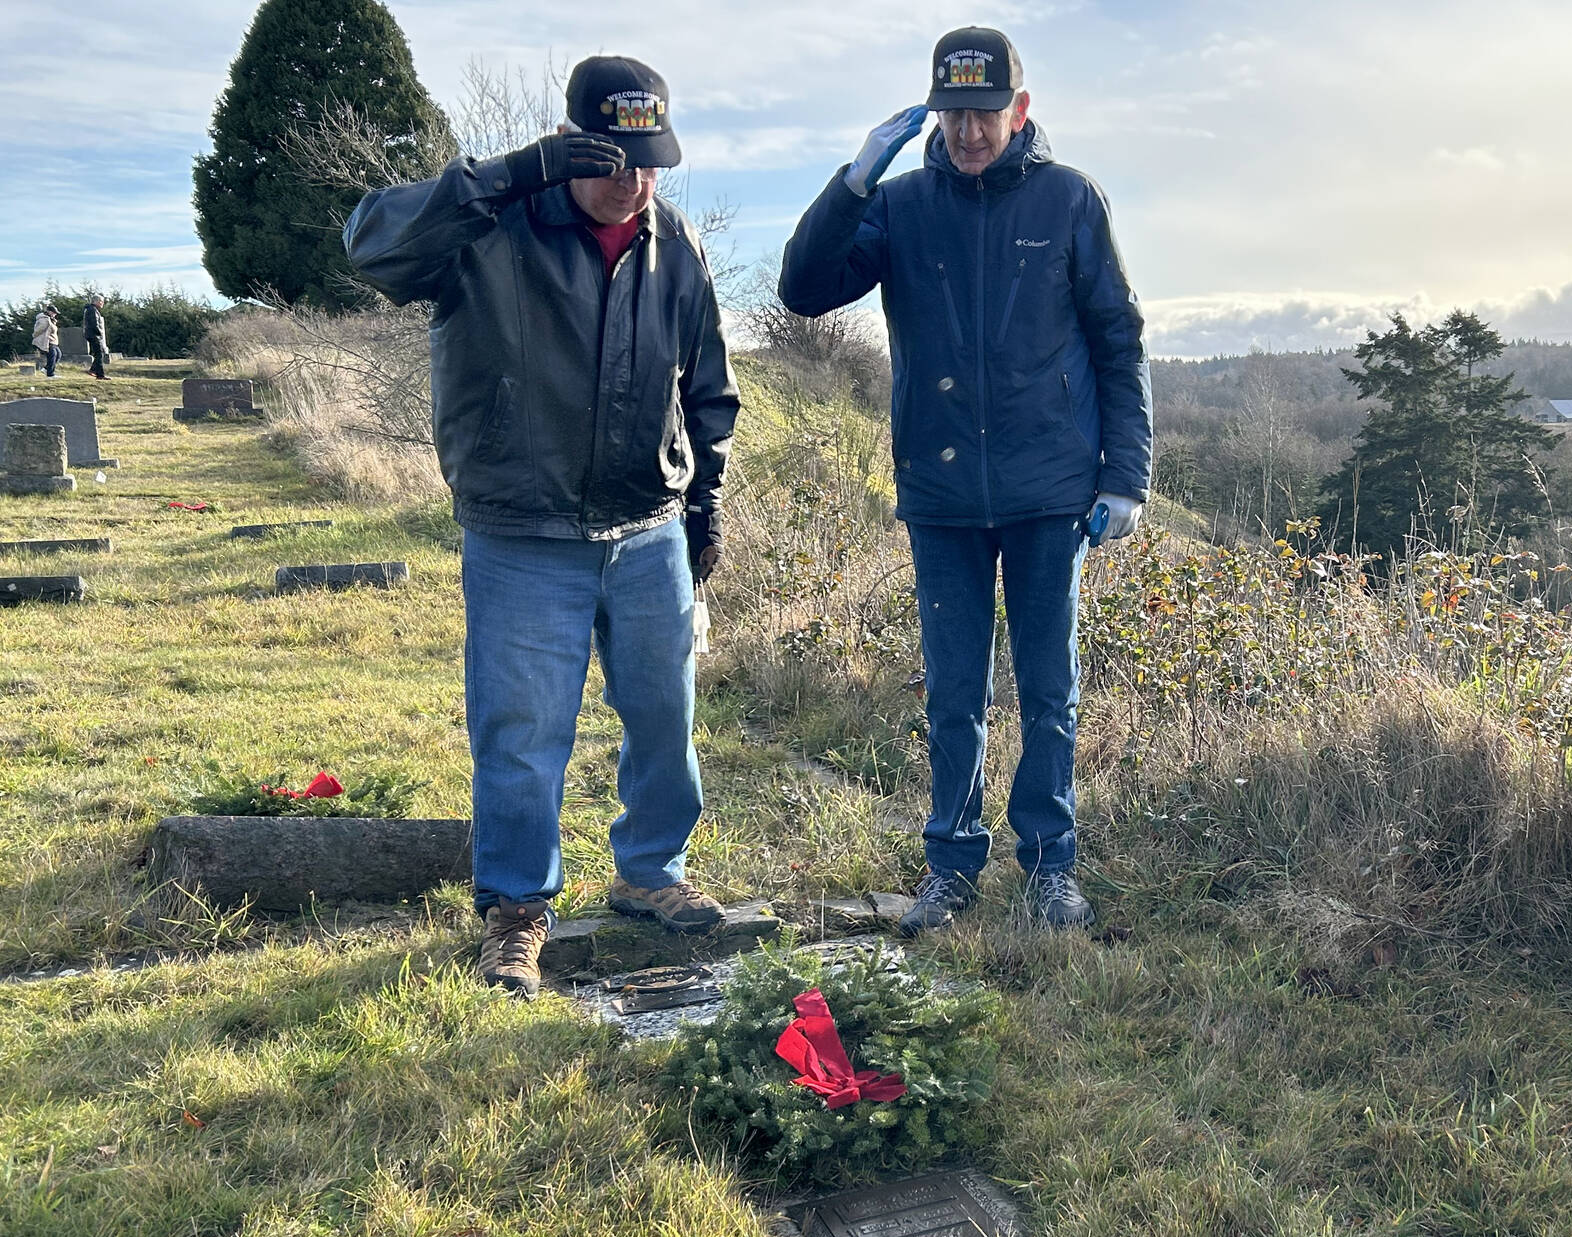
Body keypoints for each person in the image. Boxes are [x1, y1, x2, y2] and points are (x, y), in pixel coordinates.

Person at [344, 54, 742, 999]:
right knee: (521, 733)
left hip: (647, 529)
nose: (633, 181)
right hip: (522, 534)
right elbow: (370, 243)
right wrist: (504, 175)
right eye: (612, 159)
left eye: (649, 161)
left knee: (663, 715)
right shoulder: (489, 227)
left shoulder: (671, 241)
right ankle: (517, 911)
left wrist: (706, 498)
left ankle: (652, 874)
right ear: (568, 150)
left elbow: (707, 384)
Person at [780, 26, 1153, 937]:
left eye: (986, 113)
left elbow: (1118, 338)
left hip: (1050, 492)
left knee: (1049, 690)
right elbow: (804, 287)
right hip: (942, 495)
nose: (970, 131)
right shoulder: (900, 205)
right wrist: (855, 177)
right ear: (934, 111)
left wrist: (1127, 477)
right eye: (953, 112)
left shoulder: (1071, 200)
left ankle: (1050, 867)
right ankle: (951, 862)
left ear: (1018, 110)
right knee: (954, 692)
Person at [82, 294, 108, 380]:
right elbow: (94, 324)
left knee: (99, 354)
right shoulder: (92, 310)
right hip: (93, 335)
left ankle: (93, 370)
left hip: (91, 334)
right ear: (96, 301)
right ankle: (99, 375)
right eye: (101, 301)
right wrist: (100, 333)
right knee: (100, 354)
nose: (102, 303)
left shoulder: (91, 309)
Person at [31, 305, 58, 378]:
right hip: (47, 341)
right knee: (52, 355)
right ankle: (50, 374)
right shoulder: (44, 319)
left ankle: (46, 369)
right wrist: (34, 335)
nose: (55, 314)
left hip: (53, 341)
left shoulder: (51, 319)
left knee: (58, 354)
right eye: (53, 312)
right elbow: (39, 330)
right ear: (49, 311)